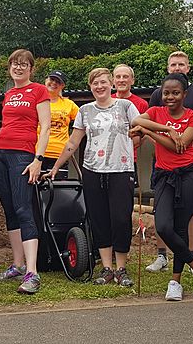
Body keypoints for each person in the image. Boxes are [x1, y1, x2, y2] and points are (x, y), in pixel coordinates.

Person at [44, 68, 139, 287]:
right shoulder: (85, 111)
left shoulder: (125, 106)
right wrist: (56, 166)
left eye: (103, 82)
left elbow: (140, 127)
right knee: (99, 219)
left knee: (121, 219)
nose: (99, 86)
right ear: (90, 87)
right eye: (95, 83)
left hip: (121, 170)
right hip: (93, 171)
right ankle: (106, 268)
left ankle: (121, 268)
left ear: (111, 84)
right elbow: (72, 142)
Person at [131, 73, 193, 301]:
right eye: (166, 93)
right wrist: (165, 129)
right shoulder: (156, 112)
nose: (170, 97)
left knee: (179, 228)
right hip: (164, 177)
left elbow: (180, 147)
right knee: (163, 226)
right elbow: (136, 121)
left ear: (185, 94)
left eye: (176, 93)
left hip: (188, 176)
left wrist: (149, 132)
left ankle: (175, 281)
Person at [0, 49, 50, 294]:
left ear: (31, 68)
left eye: (24, 64)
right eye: (14, 64)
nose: (19, 68)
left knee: (23, 208)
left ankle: (33, 272)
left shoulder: (39, 91)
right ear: (9, 68)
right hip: (1, 155)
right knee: (9, 209)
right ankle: (18, 265)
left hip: (23, 156)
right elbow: (10, 126)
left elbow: (46, 127)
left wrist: (38, 159)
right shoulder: (9, 93)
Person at [146, 51, 193, 273]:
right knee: (163, 223)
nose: (177, 67)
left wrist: (183, 143)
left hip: (188, 168)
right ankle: (189, 263)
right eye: (173, 64)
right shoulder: (157, 101)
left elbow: (191, 136)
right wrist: (168, 130)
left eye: (181, 64)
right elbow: (141, 120)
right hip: (164, 170)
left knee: (185, 222)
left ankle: (181, 272)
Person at [112, 64, 148, 186]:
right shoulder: (105, 100)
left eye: (125, 76)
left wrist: (133, 144)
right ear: (113, 81)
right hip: (105, 158)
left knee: (126, 196)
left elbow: (145, 133)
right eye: (118, 76)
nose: (121, 80)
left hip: (128, 158)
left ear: (132, 80)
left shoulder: (142, 104)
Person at [41, 70, 79, 179]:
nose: (53, 83)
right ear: (46, 80)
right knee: (36, 190)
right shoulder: (37, 102)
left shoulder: (69, 104)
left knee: (58, 190)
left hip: (60, 154)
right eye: (52, 79)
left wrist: (73, 140)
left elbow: (83, 121)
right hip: (38, 153)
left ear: (62, 86)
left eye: (58, 82)